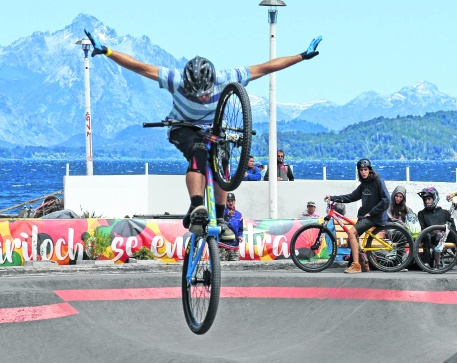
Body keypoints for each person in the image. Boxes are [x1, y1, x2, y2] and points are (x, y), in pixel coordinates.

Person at [82, 29, 321, 246]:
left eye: (206, 93)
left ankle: (219, 217)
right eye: (196, 94)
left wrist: (301, 56)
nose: (202, 98)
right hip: (183, 127)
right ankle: (197, 206)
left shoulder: (227, 77)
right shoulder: (175, 79)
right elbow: (140, 67)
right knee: (197, 150)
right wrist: (107, 51)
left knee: (221, 163)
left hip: (215, 129)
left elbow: (265, 67)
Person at [325, 158, 389, 274]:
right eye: (361, 170)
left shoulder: (378, 181)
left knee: (351, 233)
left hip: (375, 217)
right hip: (366, 217)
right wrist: (333, 198)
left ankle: (356, 265)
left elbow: (386, 200)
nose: (363, 172)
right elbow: (351, 197)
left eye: (365, 169)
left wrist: (372, 212)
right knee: (352, 239)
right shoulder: (364, 184)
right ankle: (363, 264)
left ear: (370, 170)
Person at [416, 187, 452, 269]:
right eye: (425, 200)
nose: (427, 201)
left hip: (445, 237)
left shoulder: (445, 213)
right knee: (427, 235)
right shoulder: (421, 213)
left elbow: (452, 229)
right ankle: (428, 263)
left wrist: (443, 234)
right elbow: (422, 229)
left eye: (429, 199)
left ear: (434, 198)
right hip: (429, 238)